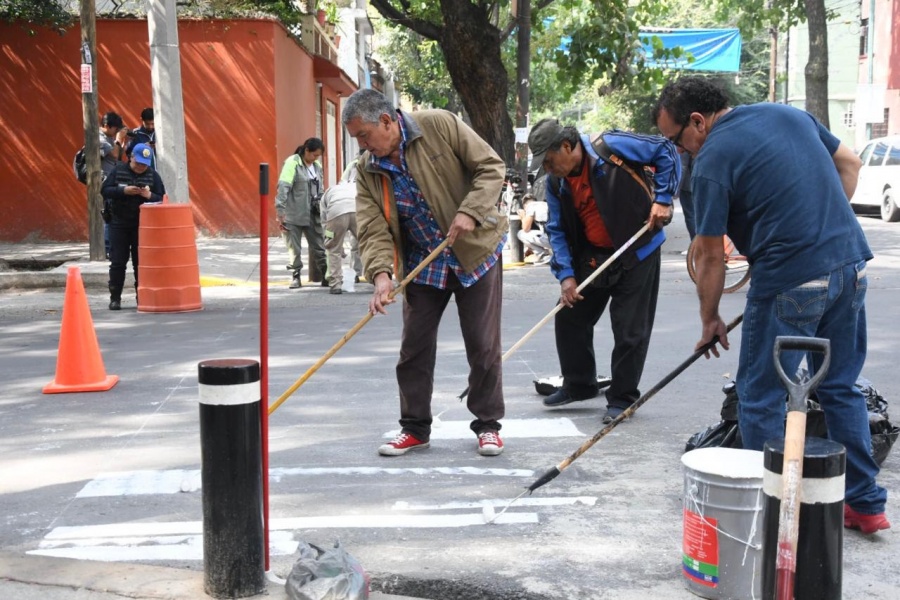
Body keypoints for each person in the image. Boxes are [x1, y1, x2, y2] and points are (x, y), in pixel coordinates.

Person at [653, 76, 889, 533]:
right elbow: (849, 161)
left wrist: (710, 319)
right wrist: (817, 226)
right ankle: (864, 503)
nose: (679, 152)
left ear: (697, 122)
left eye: (676, 140)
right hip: (850, 265)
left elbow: (708, 253)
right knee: (840, 386)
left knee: (760, 397)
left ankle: (775, 514)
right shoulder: (786, 113)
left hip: (790, 278)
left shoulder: (711, 160)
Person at [342, 88, 508, 457]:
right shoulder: (368, 170)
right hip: (423, 262)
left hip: (474, 251)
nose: (363, 146)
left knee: (482, 345)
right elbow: (372, 227)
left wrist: (471, 211)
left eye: (364, 136)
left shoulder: (439, 125)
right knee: (413, 349)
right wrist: (382, 275)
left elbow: (491, 167)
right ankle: (415, 427)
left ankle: (488, 425)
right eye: (357, 139)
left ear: (386, 121)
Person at [528, 118, 679, 424]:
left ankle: (622, 399)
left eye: (548, 160)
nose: (547, 168)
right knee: (569, 315)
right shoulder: (557, 183)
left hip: (638, 250)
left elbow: (666, 150)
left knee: (629, 329)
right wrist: (566, 275)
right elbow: (557, 229)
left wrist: (663, 199)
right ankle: (579, 384)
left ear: (567, 147)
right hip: (593, 256)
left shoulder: (610, 147)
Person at [101, 143, 165, 310]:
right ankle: (115, 298)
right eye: (138, 163)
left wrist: (149, 195)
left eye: (145, 164)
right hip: (118, 223)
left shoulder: (153, 175)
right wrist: (123, 191)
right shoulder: (118, 170)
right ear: (131, 158)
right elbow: (105, 190)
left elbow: (162, 198)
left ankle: (141, 298)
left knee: (140, 263)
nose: (141, 167)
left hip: (142, 226)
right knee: (117, 262)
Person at [275, 138, 328, 289]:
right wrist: (280, 211)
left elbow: (321, 189)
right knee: (294, 248)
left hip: (313, 213)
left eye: (318, 156)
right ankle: (296, 276)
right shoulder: (292, 163)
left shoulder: (316, 166)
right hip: (293, 213)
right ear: (306, 151)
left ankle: (326, 275)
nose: (315, 158)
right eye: (314, 155)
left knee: (319, 245)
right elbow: (283, 187)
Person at [320, 162, 363, 294]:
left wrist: (332, 241)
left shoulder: (331, 190)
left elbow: (324, 220)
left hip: (336, 212)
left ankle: (335, 285)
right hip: (357, 211)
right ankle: (376, 278)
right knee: (366, 244)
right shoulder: (358, 187)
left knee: (333, 250)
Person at [100, 111, 128, 258]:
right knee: (108, 214)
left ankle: (113, 247)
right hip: (105, 182)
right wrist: (118, 139)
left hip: (114, 180)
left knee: (115, 213)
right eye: (115, 128)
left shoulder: (109, 138)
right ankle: (108, 248)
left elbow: (118, 155)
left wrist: (121, 141)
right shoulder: (99, 139)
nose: (116, 131)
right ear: (106, 125)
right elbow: (115, 155)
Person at [516, 192, 552, 264]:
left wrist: (523, 216)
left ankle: (543, 254)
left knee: (521, 234)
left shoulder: (530, 206)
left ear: (524, 205)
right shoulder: (544, 204)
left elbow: (526, 229)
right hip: (561, 238)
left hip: (551, 238)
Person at [677, 152, 695, 240]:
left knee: (691, 216)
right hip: (697, 182)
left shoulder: (684, 142)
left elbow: (682, 166)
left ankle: (697, 244)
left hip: (688, 185)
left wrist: (676, 189)